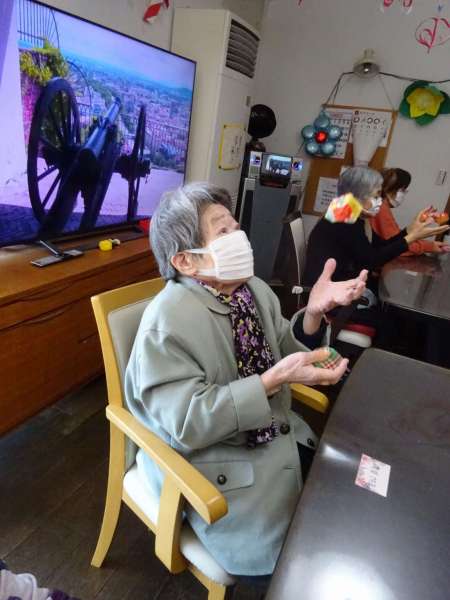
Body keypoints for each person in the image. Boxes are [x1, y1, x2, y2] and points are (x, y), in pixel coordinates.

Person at [124, 182, 368, 579]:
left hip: (277, 438)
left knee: (348, 511)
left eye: (236, 227)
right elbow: (188, 423)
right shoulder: (166, 324)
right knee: (304, 565)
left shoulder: (252, 290)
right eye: (223, 231)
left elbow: (285, 346)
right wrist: (270, 382)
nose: (239, 237)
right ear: (185, 261)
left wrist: (312, 314)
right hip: (220, 466)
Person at [303, 166, 449, 289]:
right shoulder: (343, 219)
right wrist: (411, 237)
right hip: (328, 292)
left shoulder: (350, 214)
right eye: (376, 196)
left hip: (341, 284)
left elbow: (380, 245)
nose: (380, 201)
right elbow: (371, 261)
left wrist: (409, 230)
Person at [370, 168, 450, 255]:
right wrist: (430, 246)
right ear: (386, 189)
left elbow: (396, 238)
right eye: (403, 190)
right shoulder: (381, 208)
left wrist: (426, 241)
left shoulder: (381, 206)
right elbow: (397, 246)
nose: (404, 194)